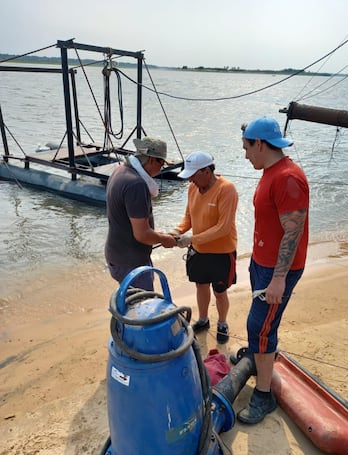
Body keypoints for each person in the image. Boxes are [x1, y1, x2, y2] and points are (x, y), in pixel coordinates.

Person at [237, 117, 309, 424]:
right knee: (261, 328)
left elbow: (293, 232)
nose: (245, 155)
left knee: (260, 328)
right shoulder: (270, 172)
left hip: (277, 271)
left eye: (246, 148)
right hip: (263, 263)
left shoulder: (288, 178)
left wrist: (279, 278)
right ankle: (258, 356)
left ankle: (264, 395)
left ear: (260, 144)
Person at [171, 151, 238, 344]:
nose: (190, 179)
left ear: (206, 171)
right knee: (201, 286)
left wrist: (191, 239)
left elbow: (223, 228)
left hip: (221, 252)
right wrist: (176, 231)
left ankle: (223, 322)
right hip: (199, 250)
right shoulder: (193, 188)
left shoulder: (227, 189)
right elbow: (188, 218)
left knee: (220, 291)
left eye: (193, 175)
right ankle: (203, 319)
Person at [105, 136, 177, 290]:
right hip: (131, 263)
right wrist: (164, 239)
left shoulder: (121, 170)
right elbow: (142, 234)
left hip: (117, 255)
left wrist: (157, 235)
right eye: (162, 164)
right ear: (152, 160)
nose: (161, 169)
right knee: (143, 307)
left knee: (128, 303)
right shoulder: (136, 184)